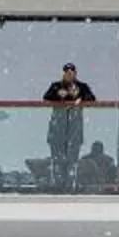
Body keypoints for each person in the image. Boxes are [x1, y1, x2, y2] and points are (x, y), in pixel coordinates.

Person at [43, 61, 95, 189]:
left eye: (71, 72)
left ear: (75, 73)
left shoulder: (82, 87)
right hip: (57, 129)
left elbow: (91, 98)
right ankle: (57, 185)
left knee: (72, 160)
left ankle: (70, 185)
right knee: (57, 160)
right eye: (67, 72)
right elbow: (46, 98)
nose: (69, 74)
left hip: (74, 129)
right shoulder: (56, 86)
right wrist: (59, 96)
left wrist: (80, 99)